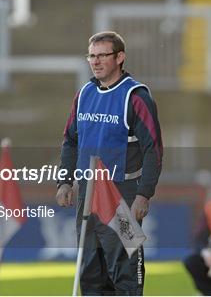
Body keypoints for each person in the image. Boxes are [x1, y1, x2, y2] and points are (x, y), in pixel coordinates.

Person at [55, 31, 163, 295]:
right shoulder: (84, 94)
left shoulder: (136, 97)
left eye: (102, 55)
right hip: (87, 196)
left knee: (126, 273)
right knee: (90, 274)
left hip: (122, 198)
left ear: (120, 57)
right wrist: (65, 181)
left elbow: (154, 149)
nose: (96, 61)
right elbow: (70, 141)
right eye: (91, 55)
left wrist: (143, 194)